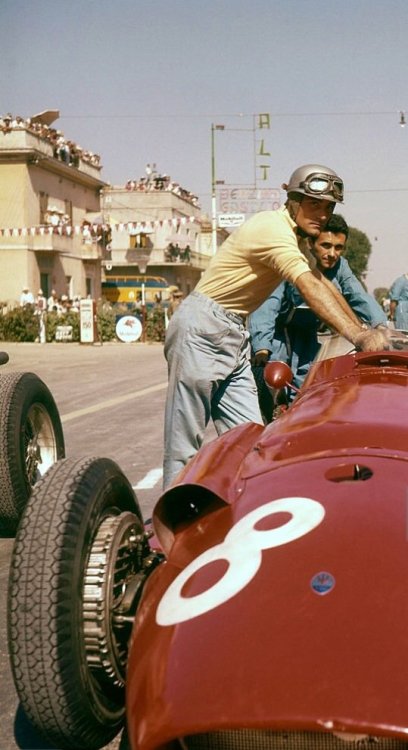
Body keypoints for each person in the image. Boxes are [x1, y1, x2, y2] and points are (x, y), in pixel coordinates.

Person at [163, 164, 389, 489]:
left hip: (233, 330)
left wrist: (366, 330)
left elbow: (324, 285)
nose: (322, 214)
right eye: (314, 204)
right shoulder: (273, 229)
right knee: (184, 444)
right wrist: (358, 335)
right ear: (292, 200)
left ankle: (245, 518)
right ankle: (164, 530)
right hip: (202, 325)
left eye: (328, 207)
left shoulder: (296, 241)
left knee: (254, 441)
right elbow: (308, 287)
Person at [248, 215, 388, 421]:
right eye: (326, 245)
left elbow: (359, 296)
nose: (332, 254)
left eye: (339, 247)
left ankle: (299, 426)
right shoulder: (292, 259)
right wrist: (261, 346)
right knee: (273, 385)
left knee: (305, 384)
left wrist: (382, 328)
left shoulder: (341, 267)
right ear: (311, 243)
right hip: (277, 333)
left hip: (306, 333)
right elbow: (269, 303)